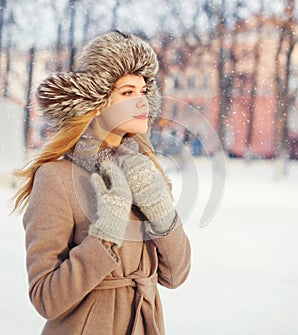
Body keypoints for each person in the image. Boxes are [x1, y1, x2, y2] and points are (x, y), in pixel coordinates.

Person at [13, 31, 191, 335]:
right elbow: (46, 298)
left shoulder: (145, 172)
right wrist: (106, 233)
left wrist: (160, 210)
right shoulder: (56, 178)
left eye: (144, 90)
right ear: (97, 102)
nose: (142, 100)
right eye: (127, 92)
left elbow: (175, 275)